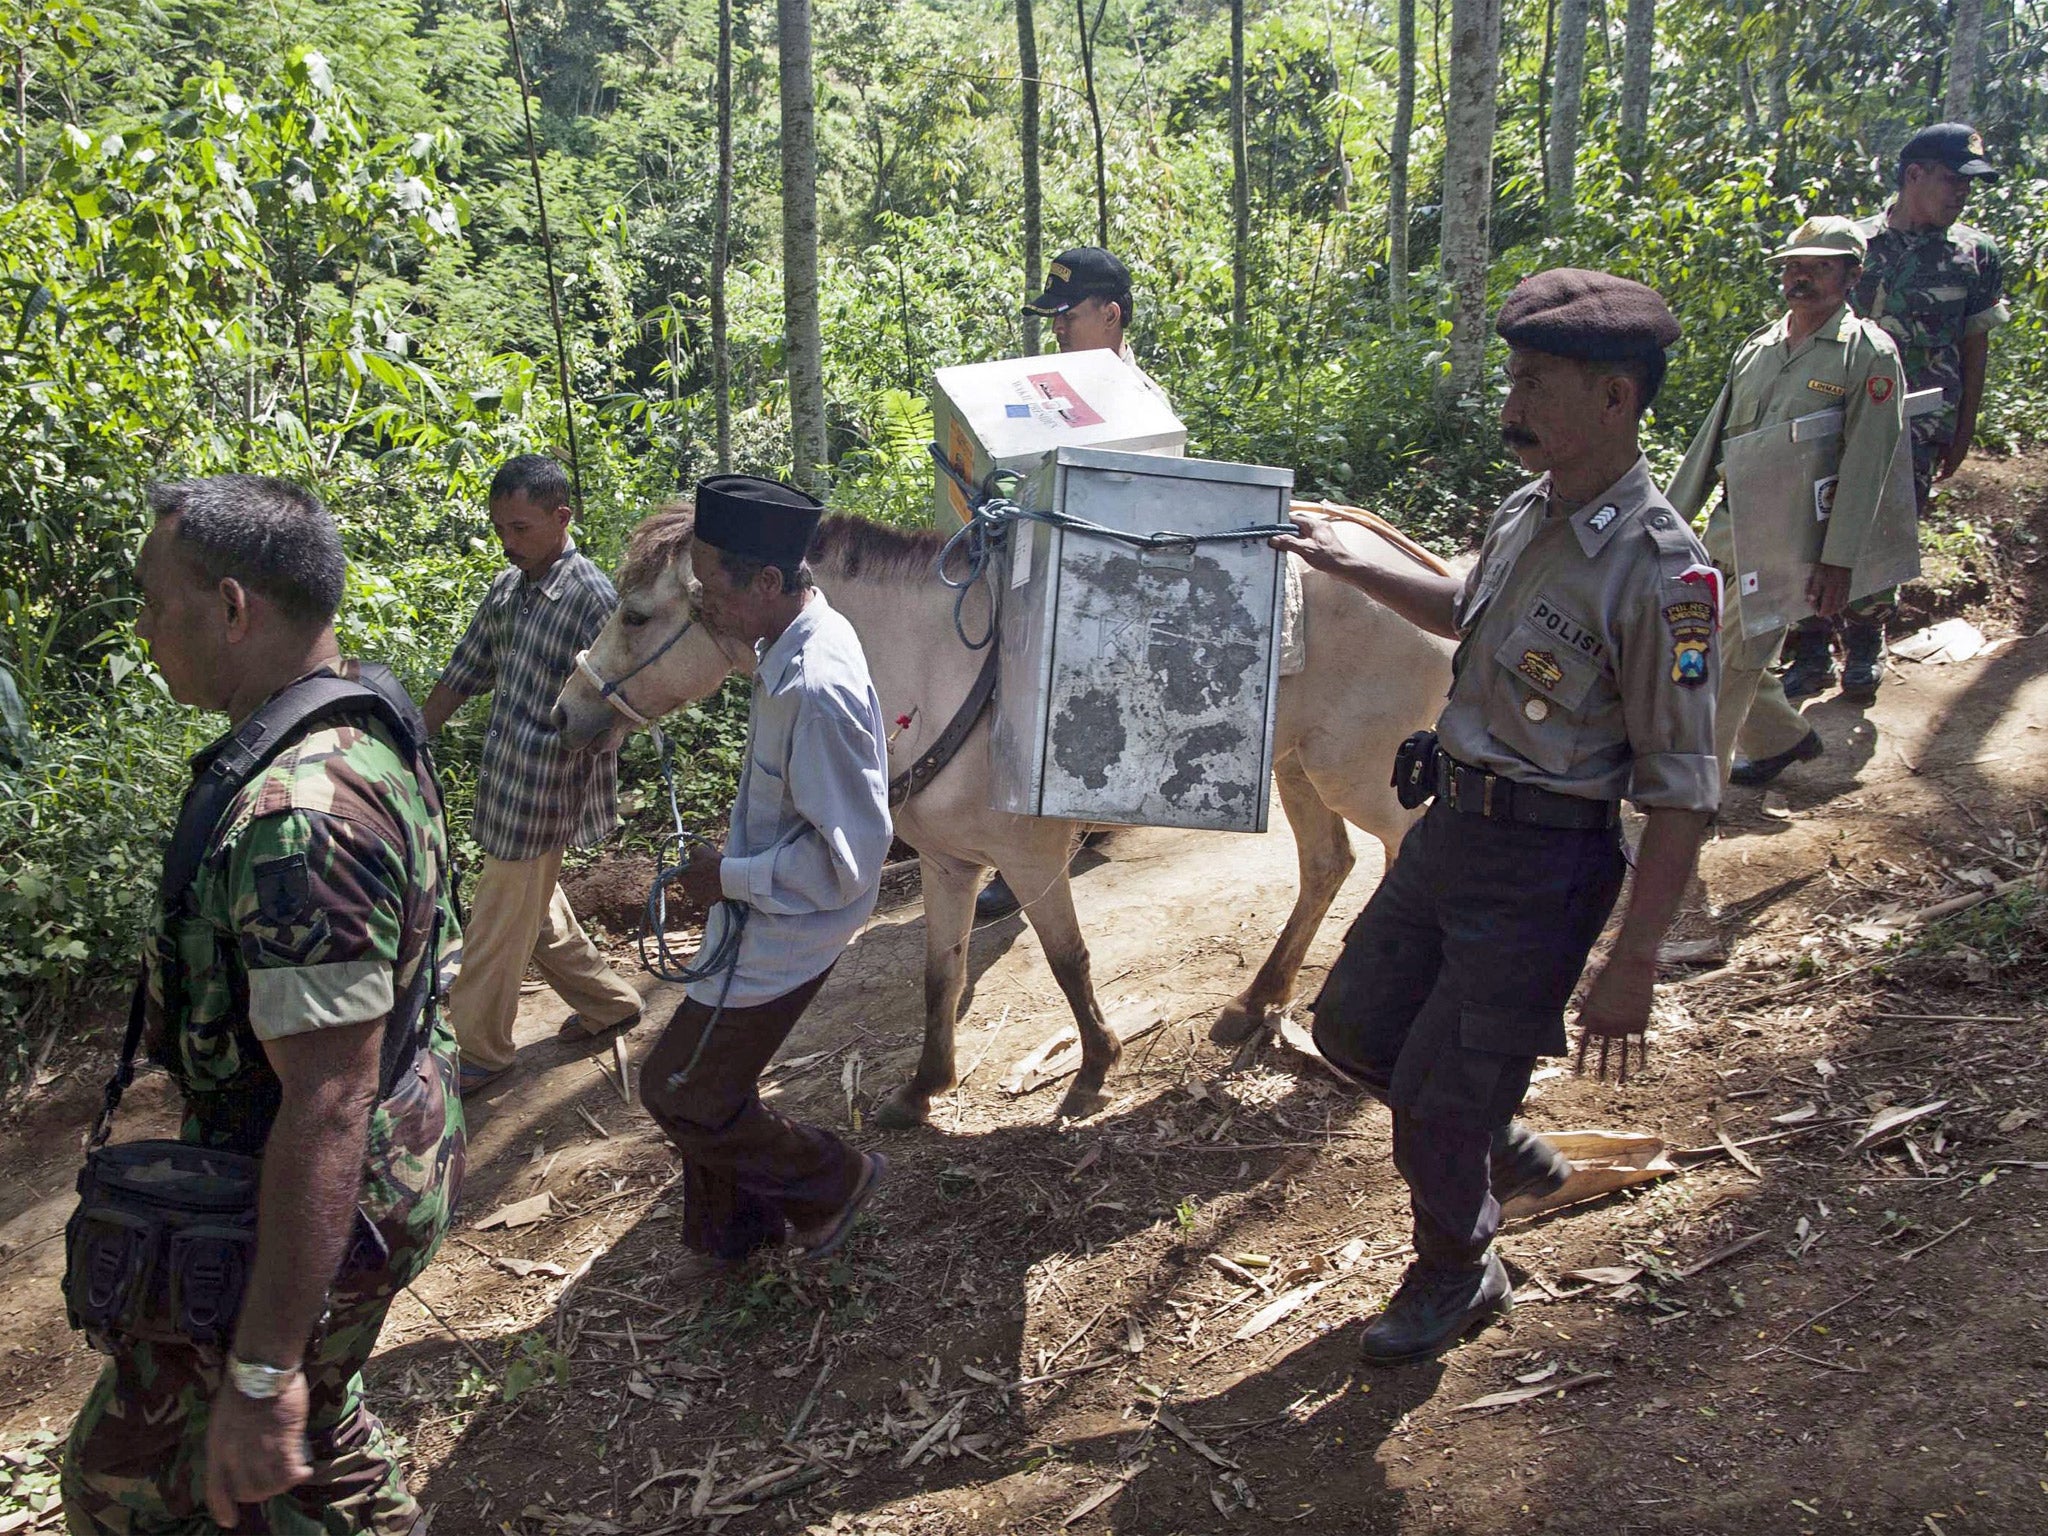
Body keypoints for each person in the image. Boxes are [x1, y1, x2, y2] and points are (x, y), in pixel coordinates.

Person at [1273, 270, 1719, 1365]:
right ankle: (1499, 1142)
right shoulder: (1526, 509)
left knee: (1435, 1096)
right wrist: (1355, 566)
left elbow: (1682, 788)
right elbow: (1464, 610)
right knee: (1354, 1030)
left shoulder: (1661, 574)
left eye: (1534, 383)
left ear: (1614, 400)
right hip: (1449, 829)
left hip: (1541, 862)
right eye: (1511, 376)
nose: (1509, 403)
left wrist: (1633, 962)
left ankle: (1455, 1266)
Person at [64, 476, 464, 1533]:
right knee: (272, 1455)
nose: (145, 629)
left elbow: (327, 1099)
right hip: (363, 1156)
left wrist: (260, 1370)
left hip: (327, 1178)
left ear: (234, 607)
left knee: (131, 1479)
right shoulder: (353, 710)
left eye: (157, 603)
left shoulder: (303, 818)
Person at [636, 475, 892, 1278]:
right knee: (709, 1086)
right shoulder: (790, 642)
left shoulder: (814, 686)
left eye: (712, 588)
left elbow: (849, 858)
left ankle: (833, 1179)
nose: (703, 603)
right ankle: (730, 1235)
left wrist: (729, 877)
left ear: (770, 583)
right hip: (764, 905)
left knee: (680, 1090)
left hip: (789, 924)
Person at [421, 454, 644, 1094]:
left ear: (560, 517)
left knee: (493, 923)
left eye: (520, 529)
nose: (507, 542)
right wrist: (408, 741)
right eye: (500, 529)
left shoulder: (593, 599)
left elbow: (626, 701)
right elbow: (463, 672)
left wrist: (591, 764)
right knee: (535, 914)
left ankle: (480, 1051)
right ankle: (611, 1004)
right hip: (505, 784)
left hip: (547, 790)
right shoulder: (509, 591)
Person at [1667, 217, 1905, 786]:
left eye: (1821, 267)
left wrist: (1839, 562)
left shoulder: (1868, 356)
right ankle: (1782, 738)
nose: (1803, 278)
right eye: (1795, 266)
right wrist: (1666, 520)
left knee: (1718, 666)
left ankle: (1695, 797)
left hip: (1796, 544)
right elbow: (1712, 440)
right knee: (1701, 646)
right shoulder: (1760, 348)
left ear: (1851, 276)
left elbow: (1867, 467)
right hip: (1730, 532)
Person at [1777, 123, 2007, 705]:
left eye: (1968, 185)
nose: (1962, 194)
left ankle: (1864, 641)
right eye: (1953, 180)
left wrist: (1964, 424)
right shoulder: (1851, 246)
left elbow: (1973, 345)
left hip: (1918, 421)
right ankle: (1808, 644)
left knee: (1886, 530)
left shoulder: (1976, 254)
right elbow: (1803, 324)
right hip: (1835, 414)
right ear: (1914, 176)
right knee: (1815, 523)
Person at [976, 247, 1174, 920]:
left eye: (1068, 316)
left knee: (1053, 715)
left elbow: (1152, 520)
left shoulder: (1142, 407)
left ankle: (1034, 855)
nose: (1056, 330)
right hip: (1046, 581)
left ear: (1110, 315)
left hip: (1103, 601)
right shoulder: (1059, 392)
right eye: (1052, 317)